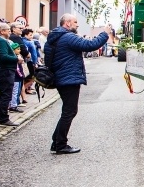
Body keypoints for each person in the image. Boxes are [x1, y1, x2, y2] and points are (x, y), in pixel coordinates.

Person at [44, 14, 111, 154]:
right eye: (75, 22)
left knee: (68, 111)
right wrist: (104, 33)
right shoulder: (68, 37)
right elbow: (90, 45)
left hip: (61, 78)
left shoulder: (54, 37)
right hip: (69, 79)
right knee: (69, 111)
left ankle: (56, 142)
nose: (77, 25)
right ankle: (60, 144)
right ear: (67, 23)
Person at [0, 23, 20, 127]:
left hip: (4, 70)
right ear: (2, 31)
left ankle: (0, 117)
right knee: (6, 95)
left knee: (4, 94)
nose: (9, 31)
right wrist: (17, 59)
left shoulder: (0, 41)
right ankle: (2, 118)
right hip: (5, 71)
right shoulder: (2, 41)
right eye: (8, 30)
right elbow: (3, 56)